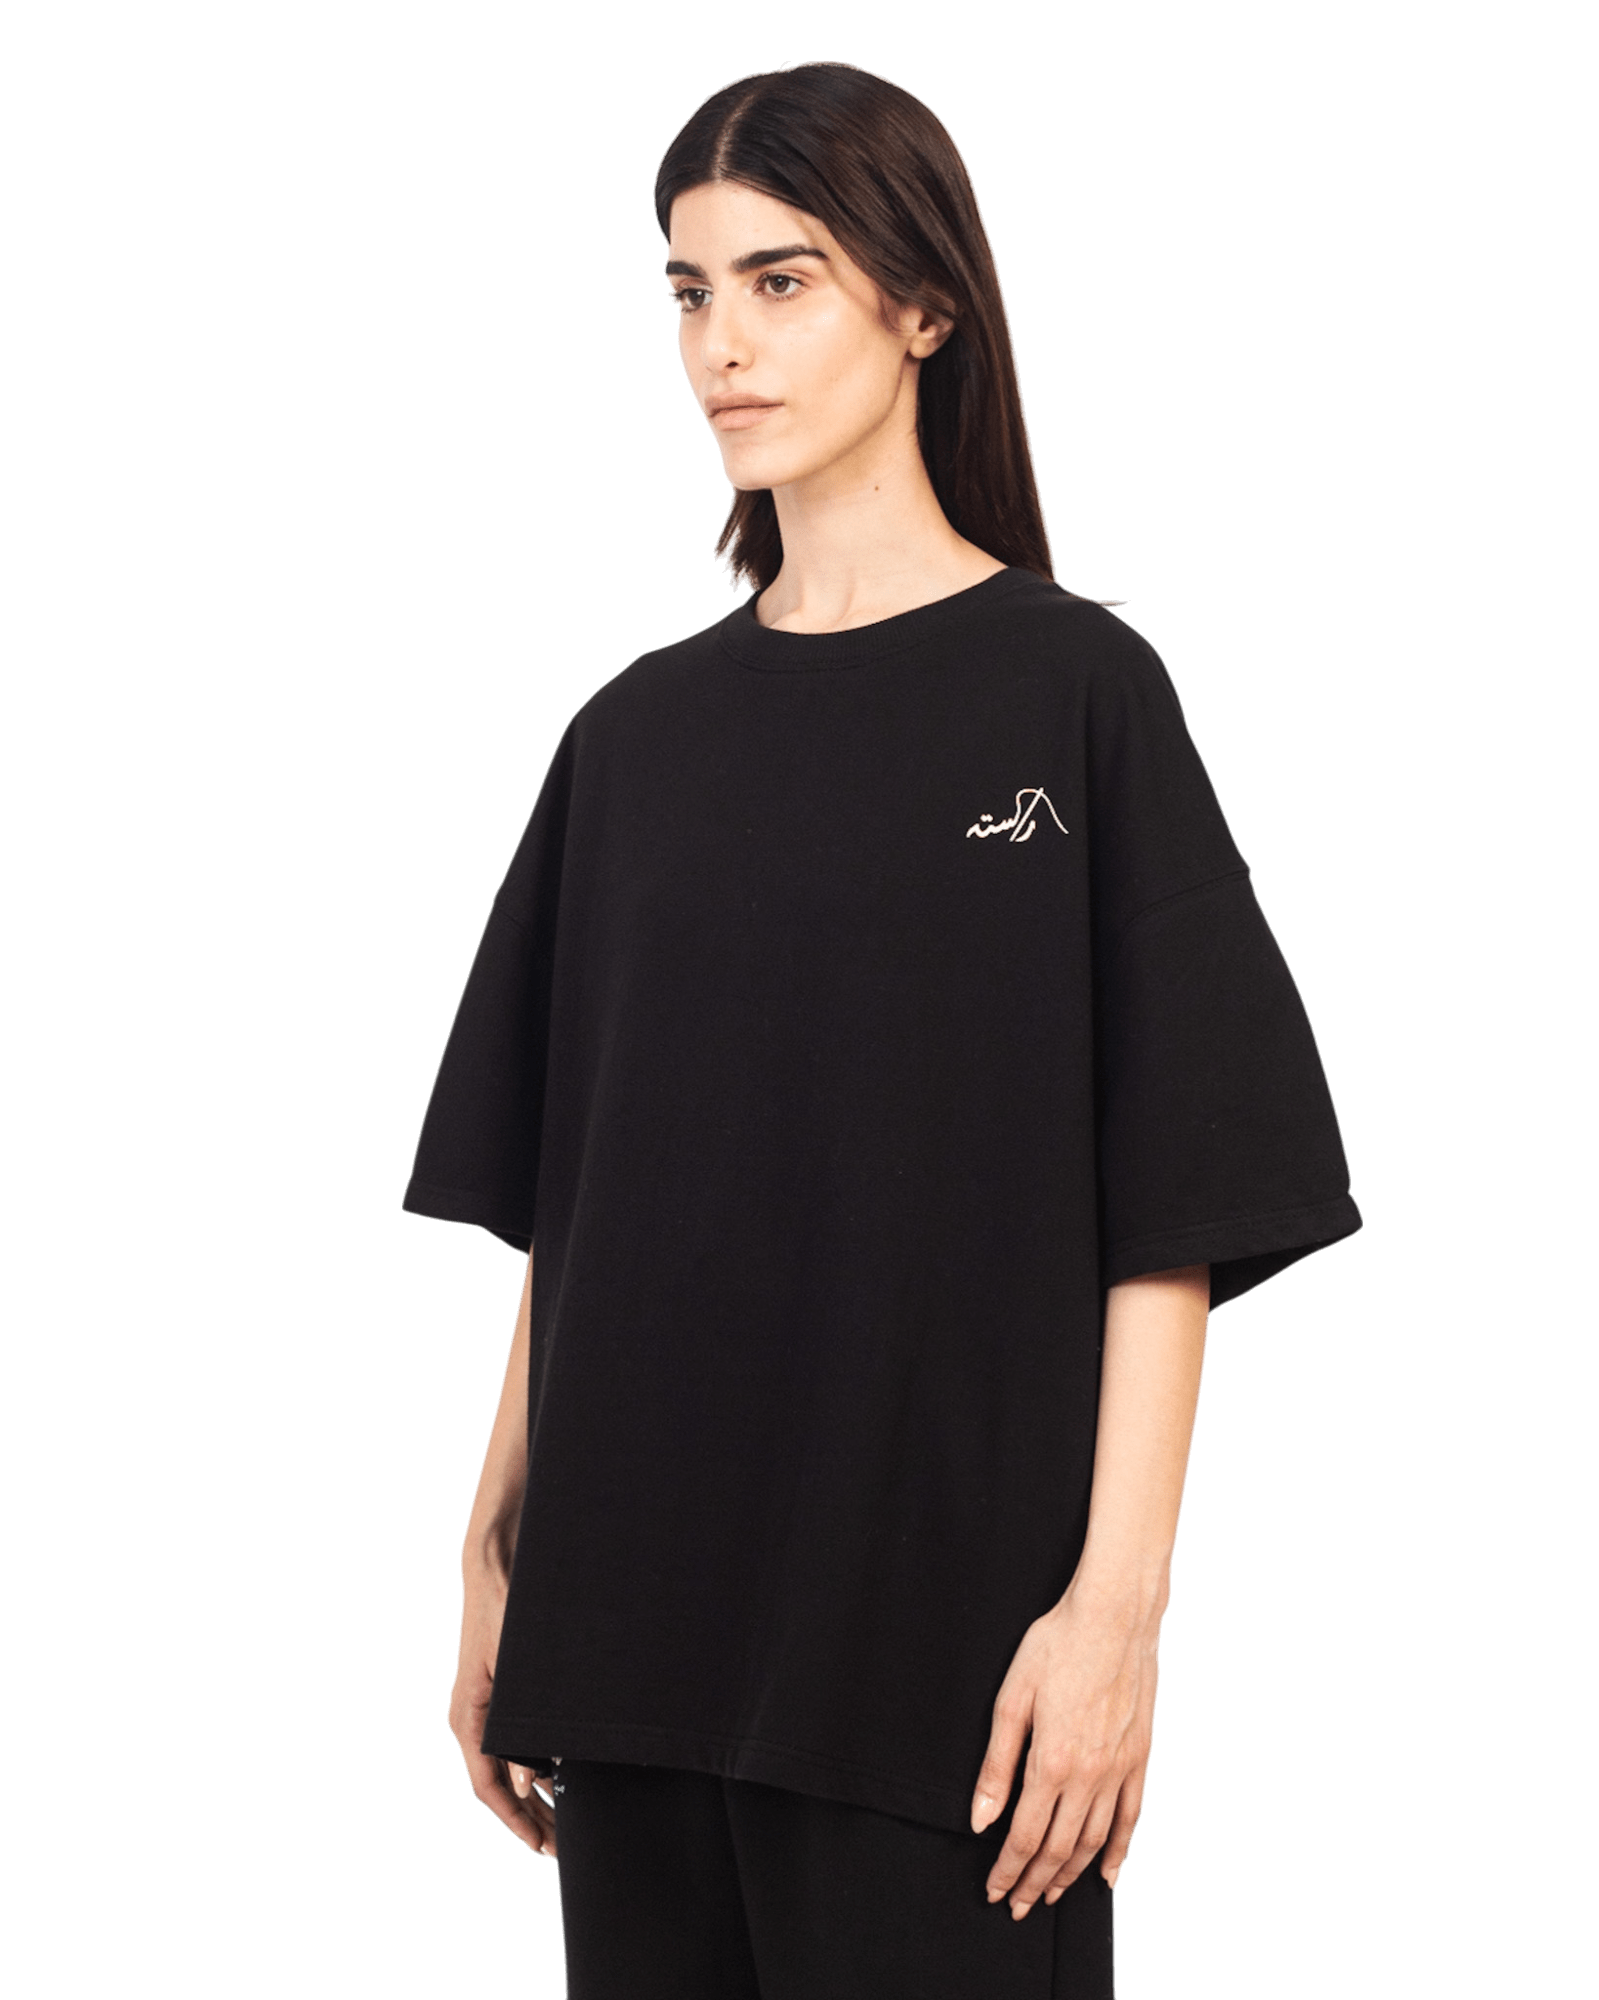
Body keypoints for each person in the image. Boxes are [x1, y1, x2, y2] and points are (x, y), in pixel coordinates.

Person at [402, 59, 1361, 1999]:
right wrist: (492, 1545)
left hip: (946, 1676)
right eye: (689, 292)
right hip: (633, 1634)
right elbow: (577, 1175)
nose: (721, 346)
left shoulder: (1075, 694)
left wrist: (1114, 1615)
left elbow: (1174, 1196)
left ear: (924, 307)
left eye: (783, 282)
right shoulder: (630, 739)